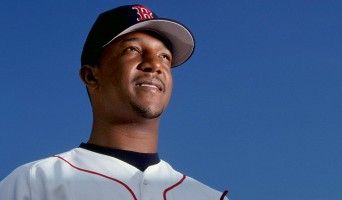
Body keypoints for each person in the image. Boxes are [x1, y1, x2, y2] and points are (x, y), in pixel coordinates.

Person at [0, 4, 229, 200]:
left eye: (164, 57)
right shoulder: (34, 184)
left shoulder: (207, 196)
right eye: (133, 49)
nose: (155, 65)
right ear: (91, 76)